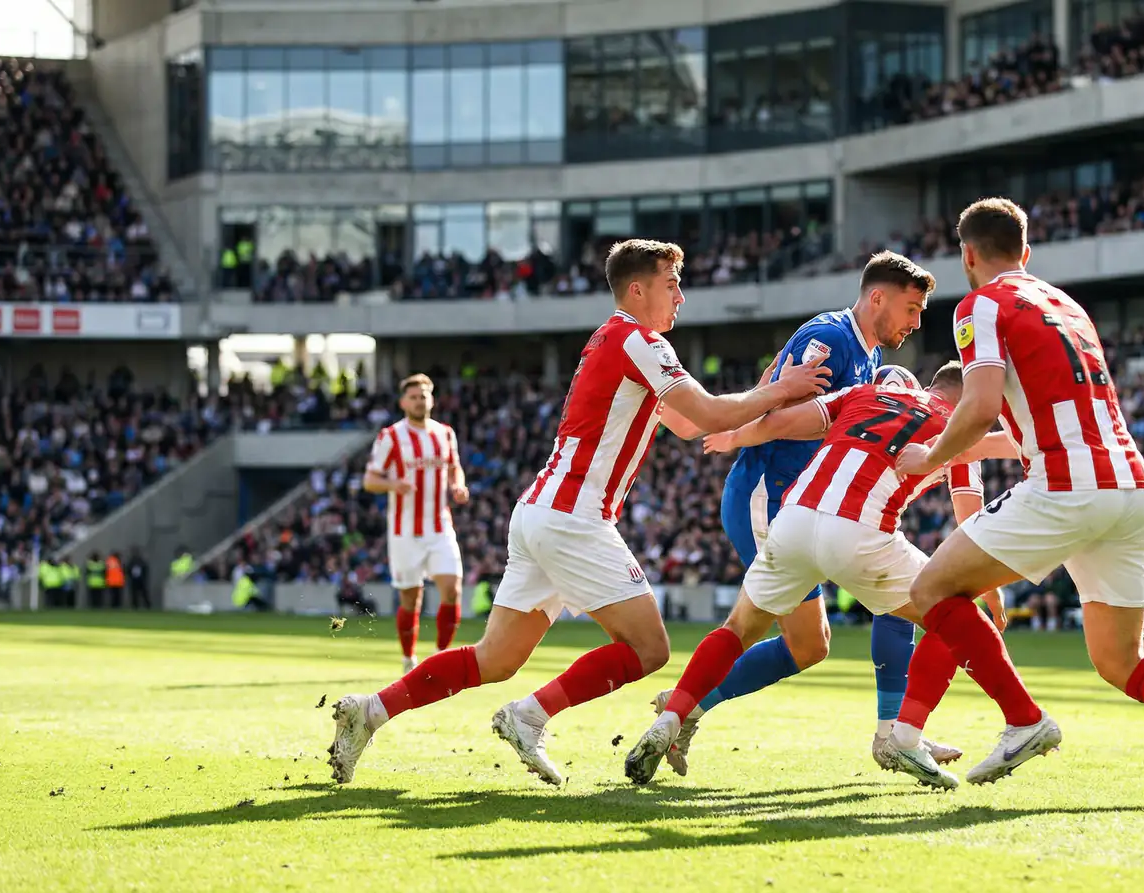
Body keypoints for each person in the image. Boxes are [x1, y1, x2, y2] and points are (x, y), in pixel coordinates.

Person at [326, 239, 831, 786]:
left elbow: (689, 423)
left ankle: (369, 710)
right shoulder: (639, 340)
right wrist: (782, 389)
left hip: (542, 511)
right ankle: (529, 715)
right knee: (649, 648)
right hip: (575, 518)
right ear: (637, 290)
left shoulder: (615, 342)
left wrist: (760, 399)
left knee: (495, 659)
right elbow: (706, 413)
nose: (681, 297)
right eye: (671, 284)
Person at [883, 197, 1144, 806]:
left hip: (1067, 486)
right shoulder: (1067, 306)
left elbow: (982, 401)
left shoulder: (978, 305)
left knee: (933, 588)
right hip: (1127, 485)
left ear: (967, 255)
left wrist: (934, 456)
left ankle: (1021, 719)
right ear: (1027, 252)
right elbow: (1027, 423)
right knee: (1121, 661)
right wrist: (962, 452)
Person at [625, 362, 1016, 787]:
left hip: (793, 519)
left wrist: (733, 436)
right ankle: (902, 736)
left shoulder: (863, 394)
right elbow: (973, 501)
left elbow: (783, 422)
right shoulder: (958, 425)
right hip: (860, 530)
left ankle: (671, 718)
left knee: (738, 628)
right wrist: (988, 589)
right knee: (951, 615)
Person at [676, 251, 947, 772]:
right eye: (912, 309)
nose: (916, 323)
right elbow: (777, 407)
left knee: (820, 640)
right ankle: (681, 711)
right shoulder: (832, 340)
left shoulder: (864, 354)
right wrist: (734, 430)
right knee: (770, 633)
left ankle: (895, 731)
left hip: (813, 507)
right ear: (877, 297)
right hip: (769, 497)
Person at [364, 373, 470, 673]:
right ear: (403, 402)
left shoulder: (445, 434)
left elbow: (455, 468)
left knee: (453, 588)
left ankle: (439, 656)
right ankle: (409, 659)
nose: (419, 400)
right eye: (413, 396)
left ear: (431, 399)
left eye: (424, 395)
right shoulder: (390, 436)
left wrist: (458, 486)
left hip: (440, 525)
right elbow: (370, 480)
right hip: (404, 530)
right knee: (411, 597)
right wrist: (393, 484)